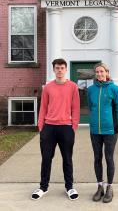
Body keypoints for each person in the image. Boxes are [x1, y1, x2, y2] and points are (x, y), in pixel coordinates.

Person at [31, 58, 80, 201]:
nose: (59, 70)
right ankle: (43, 187)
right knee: (46, 159)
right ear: (53, 70)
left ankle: (69, 187)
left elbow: (76, 108)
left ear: (66, 70)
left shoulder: (73, 87)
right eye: (57, 68)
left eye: (62, 68)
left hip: (66, 127)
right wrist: (41, 126)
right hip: (49, 128)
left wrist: (74, 126)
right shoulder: (48, 87)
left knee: (67, 159)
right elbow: (43, 108)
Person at [87, 63, 118, 203]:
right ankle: (100, 187)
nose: (99, 74)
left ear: (107, 72)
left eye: (102, 71)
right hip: (95, 130)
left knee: (109, 158)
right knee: (97, 158)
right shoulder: (90, 90)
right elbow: (90, 106)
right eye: (97, 72)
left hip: (110, 130)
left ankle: (109, 187)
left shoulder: (115, 89)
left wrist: (112, 123)